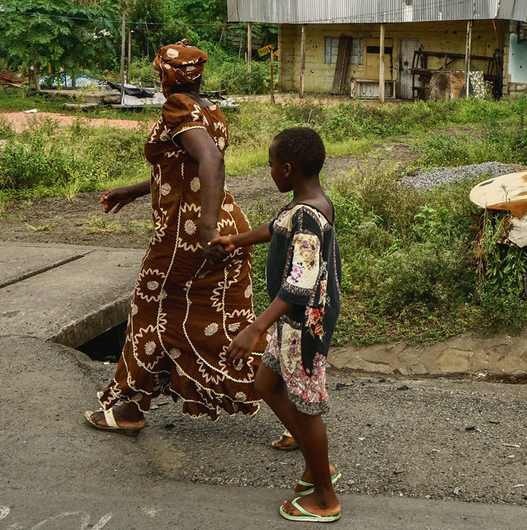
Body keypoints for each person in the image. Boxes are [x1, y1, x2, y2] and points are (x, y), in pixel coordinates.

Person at [84, 39, 260, 433]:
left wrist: (207, 229)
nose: (156, 77)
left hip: (188, 234)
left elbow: (211, 161)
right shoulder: (210, 109)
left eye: (159, 70)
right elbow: (185, 168)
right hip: (228, 225)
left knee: (150, 312)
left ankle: (129, 409)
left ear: (168, 75)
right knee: (227, 323)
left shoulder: (178, 107)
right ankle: (295, 409)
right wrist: (133, 190)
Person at [213, 127, 343, 523]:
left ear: (287, 169)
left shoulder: (307, 215)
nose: (268, 170)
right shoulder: (306, 203)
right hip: (292, 319)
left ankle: (325, 497)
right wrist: (237, 239)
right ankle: (317, 465)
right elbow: (274, 228)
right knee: (266, 383)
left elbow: (300, 281)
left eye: (270, 164)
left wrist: (256, 327)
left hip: (303, 323)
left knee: (305, 406)